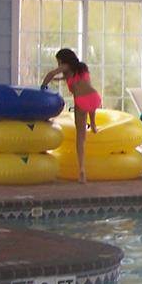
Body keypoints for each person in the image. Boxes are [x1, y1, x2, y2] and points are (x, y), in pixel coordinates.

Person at [41, 48, 102, 184]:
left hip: (80, 100)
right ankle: (93, 124)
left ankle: (82, 170)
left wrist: (43, 86)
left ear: (64, 60)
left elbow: (51, 73)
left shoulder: (66, 67)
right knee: (90, 109)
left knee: (80, 137)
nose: (59, 65)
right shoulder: (82, 68)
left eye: (59, 62)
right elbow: (74, 78)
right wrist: (59, 79)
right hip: (94, 97)